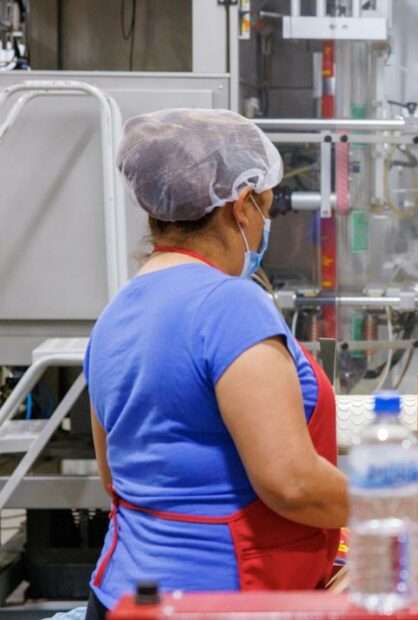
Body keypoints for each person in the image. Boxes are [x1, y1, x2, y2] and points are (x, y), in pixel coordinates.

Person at [84, 109, 348, 618]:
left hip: (121, 595)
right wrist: (396, 503)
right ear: (242, 205)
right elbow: (290, 482)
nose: (266, 224)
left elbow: (114, 476)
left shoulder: (117, 312)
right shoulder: (230, 304)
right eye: (267, 208)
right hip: (222, 598)